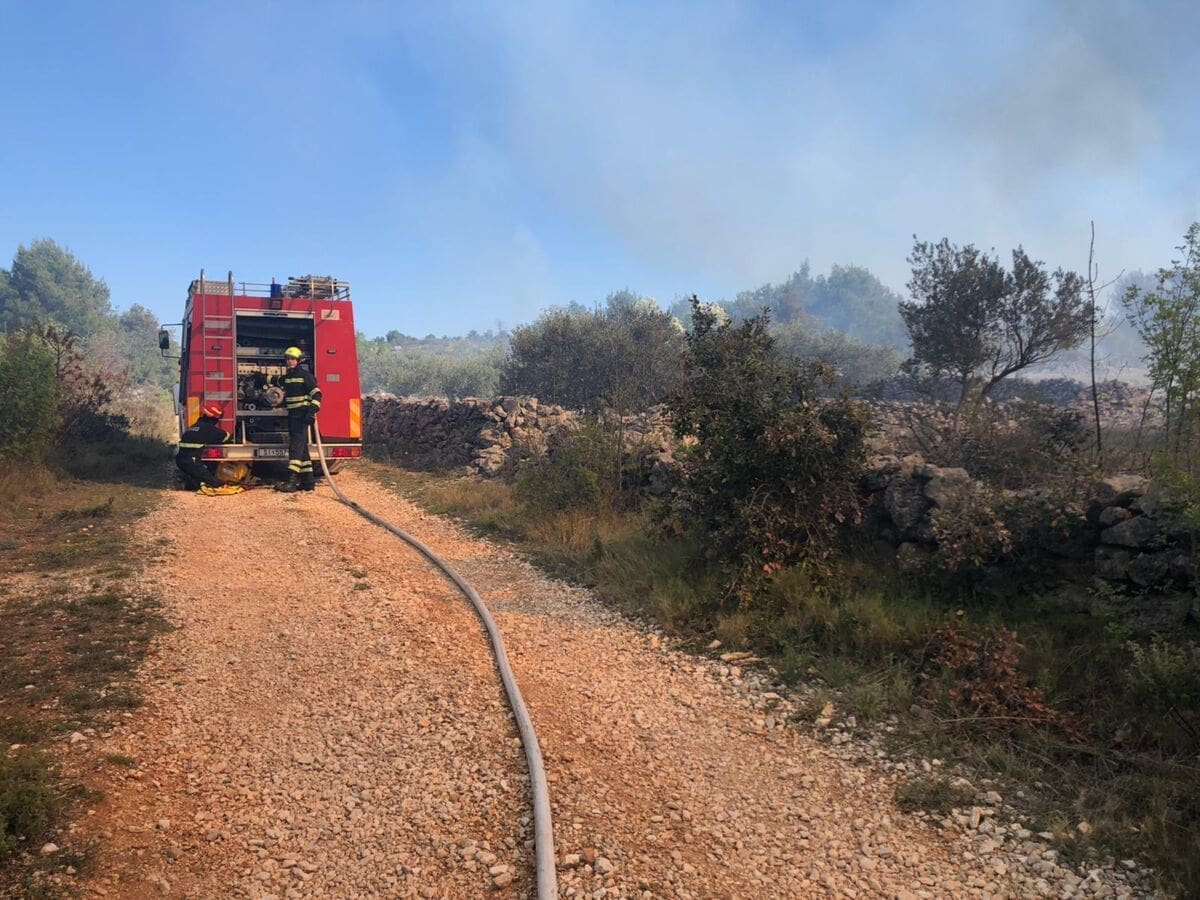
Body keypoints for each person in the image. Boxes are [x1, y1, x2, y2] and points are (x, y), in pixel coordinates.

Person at [274, 345, 322, 492]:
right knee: (303, 449)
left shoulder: (305, 375)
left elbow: (317, 394)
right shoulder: (289, 376)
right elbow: (279, 380)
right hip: (293, 416)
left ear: (299, 360)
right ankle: (308, 481)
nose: (290, 361)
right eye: (288, 359)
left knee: (295, 448)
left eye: (293, 359)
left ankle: (291, 481)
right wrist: (260, 377)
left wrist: (311, 412)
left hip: (301, 416)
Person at [176, 402, 230, 490]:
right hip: (191, 461)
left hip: (181, 460)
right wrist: (215, 483)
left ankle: (191, 483)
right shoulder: (209, 428)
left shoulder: (193, 427)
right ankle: (212, 483)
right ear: (214, 418)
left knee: (194, 479)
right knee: (208, 479)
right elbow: (225, 437)